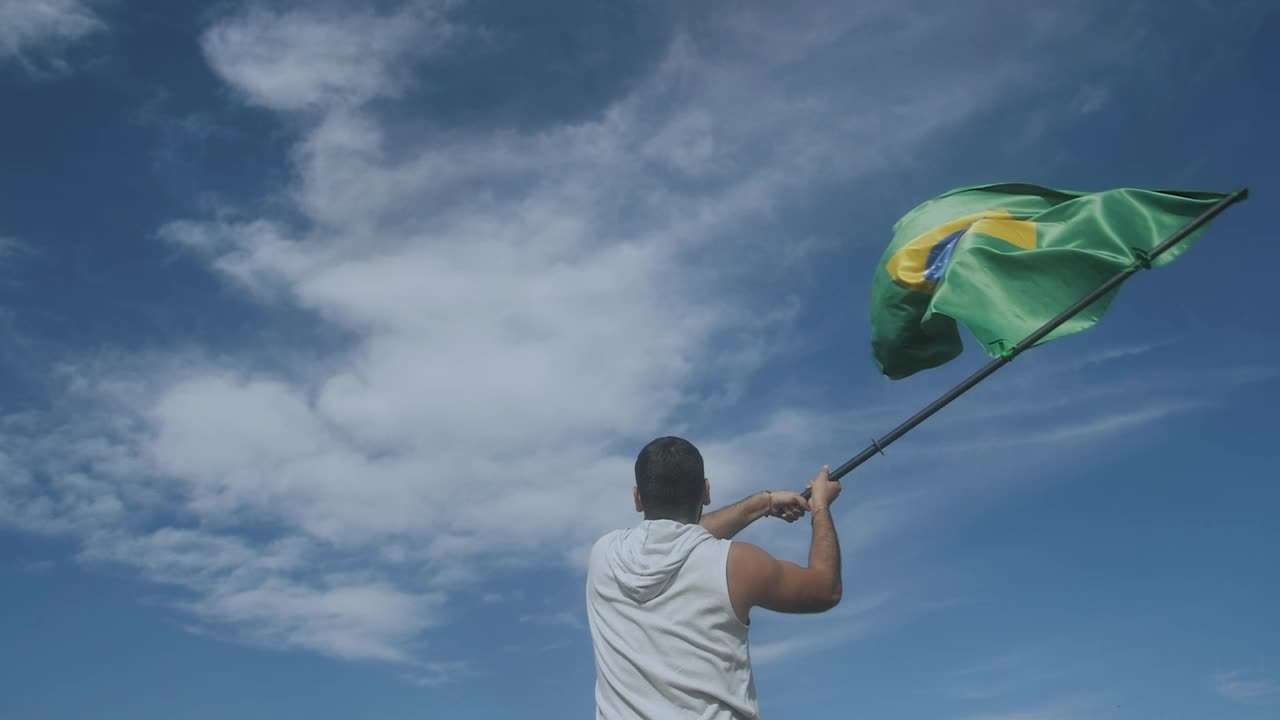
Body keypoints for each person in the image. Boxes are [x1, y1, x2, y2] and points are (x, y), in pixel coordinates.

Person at [585, 436, 843, 719]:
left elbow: (677, 536)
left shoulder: (603, 556)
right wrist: (820, 505)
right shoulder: (738, 564)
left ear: (637, 498)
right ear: (706, 492)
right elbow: (824, 589)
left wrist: (763, 504)